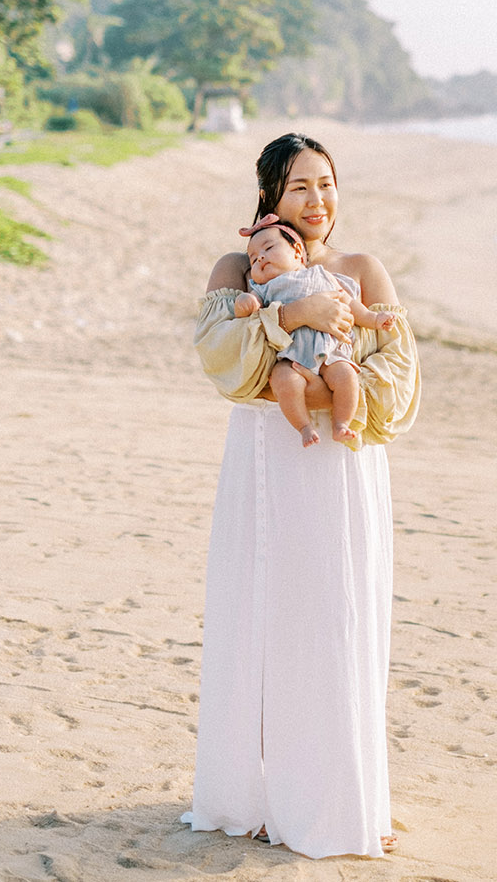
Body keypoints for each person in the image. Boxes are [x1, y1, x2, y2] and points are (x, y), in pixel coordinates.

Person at [181, 132, 420, 859]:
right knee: (262, 614)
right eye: (298, 188)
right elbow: (224, 360)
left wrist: (321, 387)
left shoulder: (361, 269)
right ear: (268, 198)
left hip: (342, 462)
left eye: (326, 184)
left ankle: (340, 794)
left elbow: (400, 376)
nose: (317, 201)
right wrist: (291, 317)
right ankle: (253, 793)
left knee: (335, 616)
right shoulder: (240, 269)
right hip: (265, 459)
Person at [235, 213, 397, 448]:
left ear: (297, 252)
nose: (260, 258)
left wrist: (373, 318)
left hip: (331, 351)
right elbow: (251, 311)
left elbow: (348, 303)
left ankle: (341, 423)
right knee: (283, 380)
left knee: (347, 377)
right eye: (253, 259)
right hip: (291, 355)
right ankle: (304, 426)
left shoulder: (321, 275)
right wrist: (245, 304)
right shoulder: (264, 288)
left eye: (268, 248)